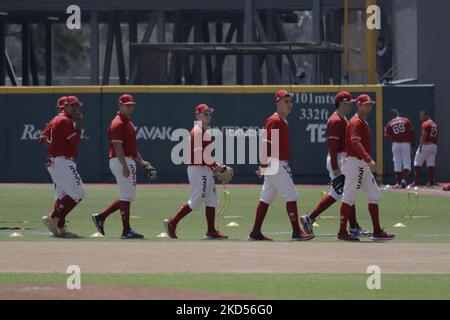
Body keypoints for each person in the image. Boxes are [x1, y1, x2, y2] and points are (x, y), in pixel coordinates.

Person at [301, 91, 370, 237]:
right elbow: (332, 145)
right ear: (342, 103)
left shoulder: (342, 118)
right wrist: (335, 166)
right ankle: (310, 217)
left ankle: (352, 226)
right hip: (338, 159)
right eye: (349, 103)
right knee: (341, 194)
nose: (351, 105)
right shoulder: (336, 120)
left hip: (341, 158)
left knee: (347, 193)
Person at [248, 89, 314, 241]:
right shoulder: (275, 120)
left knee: (266, 198)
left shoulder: (282, 120)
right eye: (286, 101)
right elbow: (266, 143)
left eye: (290, 102)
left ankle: (255, 232)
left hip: (277, 163)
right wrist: (263, 164)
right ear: (278, 102)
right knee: (291, 194)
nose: (289, 104)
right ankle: (297, 232)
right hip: (273, 163)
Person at [92, 94, 154, 239]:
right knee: (126, 196)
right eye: (127, 105)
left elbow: (132, 148)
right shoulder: (118, 123)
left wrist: (142, 162)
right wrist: (124, 165)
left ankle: (101, 217)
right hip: (121, 160)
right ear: (120, 106)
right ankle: (126, 230)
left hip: (126, 159)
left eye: (131, 105)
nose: (130, 107)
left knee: (127, 196)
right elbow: (117, 146)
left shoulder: (128, 122)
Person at [163, 103, 229, 240]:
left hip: (204, 169)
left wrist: (214, 167)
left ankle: (211, 231)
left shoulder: (204, 131)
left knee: (211, 200)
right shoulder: (198, 131)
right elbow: (200, 156)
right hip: (198, 169)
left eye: (209, 113)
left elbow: (206, 156)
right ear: (197, 115)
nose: (208, 115)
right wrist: (216, 165)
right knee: (196, 200)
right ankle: (172, 222)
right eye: (205, 113)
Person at [337, 94, 395, 242]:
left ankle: (377, 231)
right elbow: (355, 143)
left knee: (374, 194)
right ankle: (342, 232)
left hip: (360, 164)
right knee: (349, 197)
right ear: (359, 105)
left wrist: (366, 161)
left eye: (370, 105)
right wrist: (369, 159)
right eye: (366, 105)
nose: (369, 107)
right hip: (354, 163)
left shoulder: (362, 121)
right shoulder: (356, 122)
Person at [41, 95, 85, 238]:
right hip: (61, 161)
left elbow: (43, 139)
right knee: (79, 193)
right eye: (72, 106)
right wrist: (80, 123)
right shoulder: (64, 120)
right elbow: (76, 141)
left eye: (76, 106)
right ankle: (52, 218)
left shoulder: (57, 120)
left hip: (56, 160)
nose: (75, 109)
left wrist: (54, 148)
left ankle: (60, 229)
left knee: (62, 196)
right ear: (65, 107)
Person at [384, 109, 415, 188]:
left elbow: (386, 136)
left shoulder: (390, 123)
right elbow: (411, 133)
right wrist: (413, 145)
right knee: (406, 163)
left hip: (395, 144)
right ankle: (403, 180)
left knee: (397, 163)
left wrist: (392, 135)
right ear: (398, 113)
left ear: (392, 116)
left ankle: (398, 183)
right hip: (405, 143)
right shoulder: (406, 120)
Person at [409, 111, 439, 188]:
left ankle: (415, 182)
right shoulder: (435, 124)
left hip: (426, 144)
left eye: (422, 116)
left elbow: (424, 135)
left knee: (417, 162)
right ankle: (431, 182)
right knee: (431, 164)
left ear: (426, 115)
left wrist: (421, 146)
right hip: (434, 145)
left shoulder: (425, 124)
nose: (421, 118)